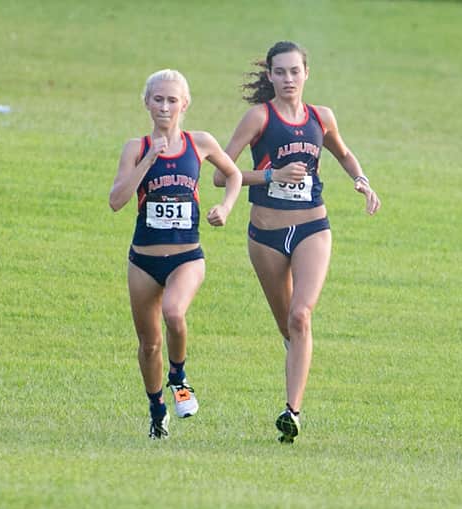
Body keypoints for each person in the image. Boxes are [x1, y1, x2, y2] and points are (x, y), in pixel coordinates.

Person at [218, 41, 381, 443]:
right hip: (266, 235)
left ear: (307, 73)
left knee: (301, 316)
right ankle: (296, 372)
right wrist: (272, 176)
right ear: (270, 76)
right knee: (288, 329)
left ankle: (292, 411)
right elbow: (222, 175)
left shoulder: (321, 117)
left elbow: (344, 154)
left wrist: (360, 179)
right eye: (281, 72)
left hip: (313, 227)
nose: (289, 79)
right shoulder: (258, 118)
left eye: (295, 71)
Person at [108, 69, 242, 438]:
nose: (165, 106)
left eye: (172, 100)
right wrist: (148, 160)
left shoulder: (199, 143)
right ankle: (156, 410)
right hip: (143, 260)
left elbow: (233, 176)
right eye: (158, 99)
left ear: (185, 104)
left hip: (187, 256)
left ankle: (179, 378)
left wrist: (226, 208)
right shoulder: (134, 148)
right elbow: (116, 201)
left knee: (173, 312)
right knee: (149, 343)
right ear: (146, 103)